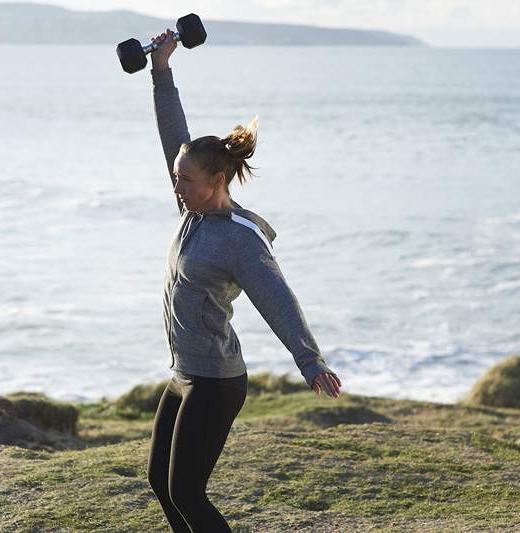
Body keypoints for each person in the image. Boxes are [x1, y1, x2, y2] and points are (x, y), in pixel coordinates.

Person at [145, 29, 343, 533]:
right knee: (161, 482)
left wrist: (310, 360)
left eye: (184, 179)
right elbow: (175, 136)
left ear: (217, 182)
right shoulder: (192, 205)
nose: (176, 184)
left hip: (215, 380)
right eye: (175, 176)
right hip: (184, 372)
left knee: (187, 492)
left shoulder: (240, 239)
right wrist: (162, 70)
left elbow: (278, 299)